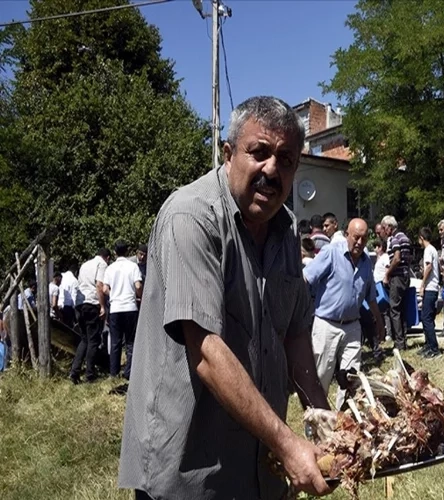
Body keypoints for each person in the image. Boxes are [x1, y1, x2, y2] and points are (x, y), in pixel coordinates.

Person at [118, 96, 331, 500]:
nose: (272, 169)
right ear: (228, 153)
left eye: (285, 159)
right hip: (194, 473)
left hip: (261, 471)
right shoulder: (191, 217)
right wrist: (288, 446)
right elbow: (207, 353)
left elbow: (296, 336)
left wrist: (324, 422)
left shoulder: (284, 228)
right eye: (259, 152)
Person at [304, 218, 386, 409]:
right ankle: (316, 423)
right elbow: (306, 278)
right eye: (356, 237)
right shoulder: (331, 253)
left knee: (351, 378)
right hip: (326, 324)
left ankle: (344, 421)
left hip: (352, 327)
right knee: (321, 376)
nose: (359, 242)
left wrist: (379, 323)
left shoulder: (366, 262)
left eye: (364, 239)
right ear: (347, 234)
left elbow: (371, 296)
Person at [103, 240, 143, 379]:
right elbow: (138, 286)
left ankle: (114, 373)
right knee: (130, 342)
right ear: (127, 251)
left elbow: (104, 289)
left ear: (115, 252)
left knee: (116, 341)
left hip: (115, 308)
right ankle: (129, 372)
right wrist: (138, 296)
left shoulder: (110, 268)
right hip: (130, 306)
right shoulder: (133, 267)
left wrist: (114, 294)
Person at [70, 248, 111, 384]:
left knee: (84, 340)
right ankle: (90, 374)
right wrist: (103, 306)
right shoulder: (102, 264)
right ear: (107, 258)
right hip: (92, 303)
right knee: (94, 340)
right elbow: (99, 286)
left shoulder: (85, 264)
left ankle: (75, 371)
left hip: (80, 305)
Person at [381, 215, 413, 351]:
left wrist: (388, 274)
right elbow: (409, 257)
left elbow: (397, 258)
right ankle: (404, 340)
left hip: (397, 277)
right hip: (406, 276)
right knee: (402, 309)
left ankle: (399, 343)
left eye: (384, 228)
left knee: (394, 309)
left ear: (389, 226)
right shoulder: (405, 238)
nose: (383, 231)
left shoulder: (394, 239)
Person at [417, 227, 441, 358]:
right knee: (427, 317)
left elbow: (429, 267)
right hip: (433, 287)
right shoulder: (433, 250)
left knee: (426, 318)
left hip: (430, 287)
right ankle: (428, 345)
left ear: (421, 237)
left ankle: (434, 348)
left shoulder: (428, 250)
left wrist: (422, 284)